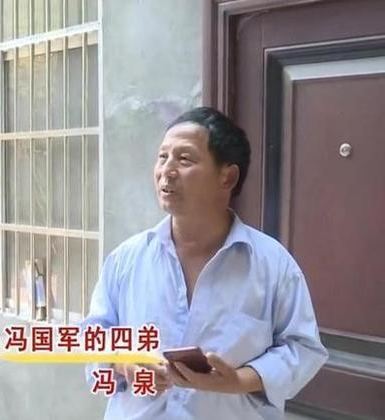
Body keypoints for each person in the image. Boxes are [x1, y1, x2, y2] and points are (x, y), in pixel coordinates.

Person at [82, 107, 328, 419]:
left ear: (228, 176)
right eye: (162, 157)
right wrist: (123, 363)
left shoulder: (272, 265)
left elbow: (302, 348)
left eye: (184, 159)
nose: (167, 170)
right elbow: (93, 336)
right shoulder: (126, 259)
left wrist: (238, 381)